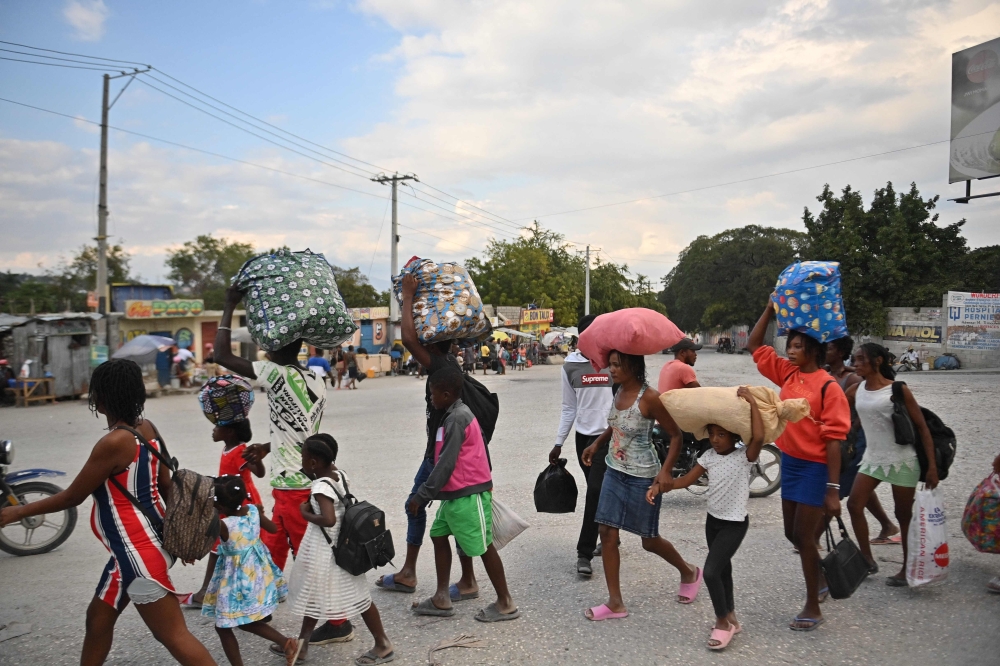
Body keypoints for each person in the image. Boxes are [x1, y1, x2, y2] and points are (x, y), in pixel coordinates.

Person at [0, 359, 216, 666]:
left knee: (173, 635)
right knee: (98, 619)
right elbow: (167, 486)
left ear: (101, 399)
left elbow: (73, 496)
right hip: (146, 545)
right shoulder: (147, 428)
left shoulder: (113, 442)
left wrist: (17, 512)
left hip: (137, 553)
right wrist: (181, 537)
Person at [213, 286, 354, 646]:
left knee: (307, 557)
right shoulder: (316, 381)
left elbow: (221, 355)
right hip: (307, 476)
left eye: (267, 346)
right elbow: (300, 429)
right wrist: (267, 445)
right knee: (273, 544)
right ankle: (259, 602)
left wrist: (230, 304)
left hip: (293, 487)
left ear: (275, 350)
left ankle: (336, 622)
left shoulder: (275, 375)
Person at [747, 302, 850, 632]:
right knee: (793, 533)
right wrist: (768, 310)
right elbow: (754, 345)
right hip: (790, 463)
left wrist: (833, 490)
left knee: (804, 537)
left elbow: (834, 439)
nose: (790, 351)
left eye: (796, 346)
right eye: (789, 345)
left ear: (814, 350)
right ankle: (819, 575)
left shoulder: (828, 386)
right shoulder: (788, 373)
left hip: (815, 468)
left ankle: (812, 606)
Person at [375, 273, 480, 600]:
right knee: (452, 514)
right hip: (440, 454)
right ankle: (464, 579)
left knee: (419, 506)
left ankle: (414, 573)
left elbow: (408, 340)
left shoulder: (439, 363)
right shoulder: (448, 360)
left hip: (438, 457)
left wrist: (407, 296)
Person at [581, 351, 699, 621]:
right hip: (614, 469)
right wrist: (597, 443)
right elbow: (617, 424)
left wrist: (666, 472)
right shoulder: (618, 389)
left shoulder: (650, 398)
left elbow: (675, 435)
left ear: (633, 365)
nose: (610, 369)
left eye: (616, 364)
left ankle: (688, 571)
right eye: (610, 364)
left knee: (649, 540)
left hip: (643, 476)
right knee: (607, 532)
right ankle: (615, 603)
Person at [408, 367, 520, 622]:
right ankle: (441, 597)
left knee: (483, 546)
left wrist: (422, 495)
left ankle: (506, 602)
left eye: (433, 394)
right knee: (438, 535)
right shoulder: (450, 414)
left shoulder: (458, 417)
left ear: (446, 394)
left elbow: (446, 463)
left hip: (468, 494)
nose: (430, 399)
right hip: (453, 495)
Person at [660, 387, 765, 651]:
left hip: (734, 524)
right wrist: (661, 486)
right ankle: (731, 617)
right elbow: (685, 481)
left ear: (734, 435)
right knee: (723, 569)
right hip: (713, 522)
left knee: (711, 571)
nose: (716, 440)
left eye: (721, 434)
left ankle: (722, 623)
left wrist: (752, 402)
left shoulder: (745, 457)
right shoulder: (708, 457)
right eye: (712, 434)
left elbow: (760, 436)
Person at [287, 435, 395, 665]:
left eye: (304, 458)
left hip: (331, 553)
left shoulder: (320, 487)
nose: (302, 462)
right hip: (341, 548)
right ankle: (302, 645)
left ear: (314, 462)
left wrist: (305, 513)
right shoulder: (339, 475)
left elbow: (328, 519)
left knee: (361, 599)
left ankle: (383, 644)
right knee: (314, 596)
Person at [845, 343, 939, 586]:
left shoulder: (898, 390)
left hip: (902, 460)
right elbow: (844, 417)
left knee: (904, 515)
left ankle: (907, 569)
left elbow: (921, 427)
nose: (855, 364)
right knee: (855, 504)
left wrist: (931, 468)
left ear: (877, 361)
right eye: (854, 359)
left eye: (860, 359)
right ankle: (867, 560)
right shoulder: (856, 390)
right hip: (872, 459)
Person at [202, 476, 298, 666]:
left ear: (219, 507)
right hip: (255, 575)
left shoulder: (224, 525)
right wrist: (258, 514)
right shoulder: (253, 511)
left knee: (224, 626)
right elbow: (271, 528)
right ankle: (286, 643)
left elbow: (203, 540)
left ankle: (283, 644)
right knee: (242, 622)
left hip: (235, 582)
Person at [180, 418, 273, 609]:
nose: (213, 430)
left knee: (226, 545)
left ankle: (207, 592)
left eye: (217, 427)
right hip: (227, 501)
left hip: (239, 503)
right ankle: (242, 588)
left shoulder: (240, 451)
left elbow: (259, 472)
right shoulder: (228, 449)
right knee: (231, 545)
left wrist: (257, 460)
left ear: (230, 432)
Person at [548, 314, 615, 576]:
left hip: (609, 437)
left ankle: (584, 553)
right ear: (582, 337)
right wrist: (558, 443)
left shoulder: (613, 362)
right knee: (598, 490)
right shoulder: (570, 366)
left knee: (597, 490)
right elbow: (569, 408)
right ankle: (611, 535)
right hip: (583, 440)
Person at [825, 337, 899, 545]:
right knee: (860, 489)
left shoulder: (854, 380)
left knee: (838, 486)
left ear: (840, 352)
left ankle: (811, 537)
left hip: (858, 441)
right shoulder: (827, 375)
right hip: (842, 438)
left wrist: (851, 429)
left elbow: (866, 410)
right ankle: (887, 526)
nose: (825, 352)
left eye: (829, 348)